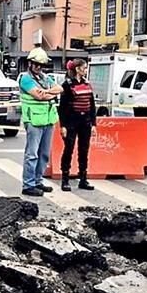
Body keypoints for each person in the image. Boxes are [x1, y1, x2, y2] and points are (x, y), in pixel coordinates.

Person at [19, 48, 62, 197]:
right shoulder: (25, 78)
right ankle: (28, 184)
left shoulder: (44, 77)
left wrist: (47, 93)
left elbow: (60, 88)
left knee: (44, 154)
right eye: (36, 64)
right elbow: (38, 96)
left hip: (48, 119)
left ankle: (38, 181)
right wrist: (49, 94)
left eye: (41, 65)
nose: (39, 67)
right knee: (32, 154)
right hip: (34, 120)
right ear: (30, 63)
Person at [58, 58, 97, 192]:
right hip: (71, 121)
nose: (86, 70)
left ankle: (83, 178)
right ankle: (65, 179)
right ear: (77, 69)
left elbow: (92, 106)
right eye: (84, 68)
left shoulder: (87, 84)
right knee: (69, 149)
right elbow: (62, 107)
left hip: (85, 121)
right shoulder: (67, 85)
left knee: (84, 150)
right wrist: (62, 125)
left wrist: (93, 124)